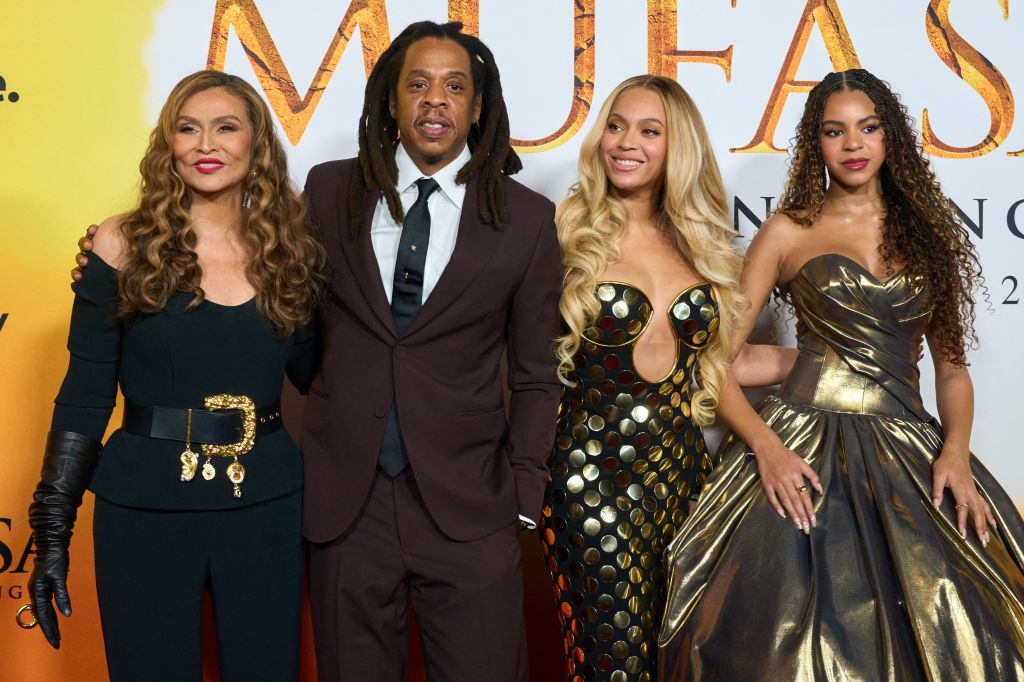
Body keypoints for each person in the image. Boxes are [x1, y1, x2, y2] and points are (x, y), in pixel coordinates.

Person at [659, 68, 1024, 680]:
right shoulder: (787, 231)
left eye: (868, 127)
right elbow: (717, 360)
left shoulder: (931, 236)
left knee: (974, 623)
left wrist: (956, 452)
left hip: (909, 449)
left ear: (890, 138)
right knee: (784, 640)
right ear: (816, 144)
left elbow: (952, 371)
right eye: (835, 131)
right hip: (801, 445)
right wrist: (767, 447)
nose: (853, 144)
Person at [28, 70, 325, 680]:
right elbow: (84, 396)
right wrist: (52, 530)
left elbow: (320, 375)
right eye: (187, 129)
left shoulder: (290, 250)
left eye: (226, 127)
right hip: (144, 508)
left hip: (265, 505)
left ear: (257, 144)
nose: (206, 145)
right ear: (168, 145)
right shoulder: (121, 244)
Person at [301, 21, 561, 680]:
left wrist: (524, 492)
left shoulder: (525, 220)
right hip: (347, 507)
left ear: (478, 107)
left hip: (469, 506)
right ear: (391, 100)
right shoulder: (328, 193)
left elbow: (536, 375)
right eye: (416, 85)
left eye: (454, 87)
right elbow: (282, 318)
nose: (434, 101)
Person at [539, 75, 796, 682]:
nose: (626, 142)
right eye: (616, 125)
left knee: (679, 658)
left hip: (682, 479)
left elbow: (716, 367)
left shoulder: (704, 248)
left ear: (676, 146)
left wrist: (823, 364)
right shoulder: (562, 235)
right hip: (585, 478)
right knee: (615, 662)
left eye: (649, 131)